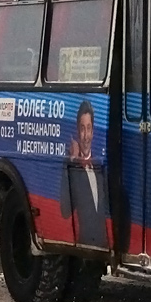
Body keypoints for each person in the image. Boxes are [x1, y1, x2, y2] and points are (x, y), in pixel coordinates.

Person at [60, 100, 108, 248]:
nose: (86, 136)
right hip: (84, 244)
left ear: (93, 132)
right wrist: (71, 161)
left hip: (105, 243)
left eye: (89, 128)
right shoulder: (73, 168)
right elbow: (65, 211)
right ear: (77, 132)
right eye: (82, 129)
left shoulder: (100, 168)